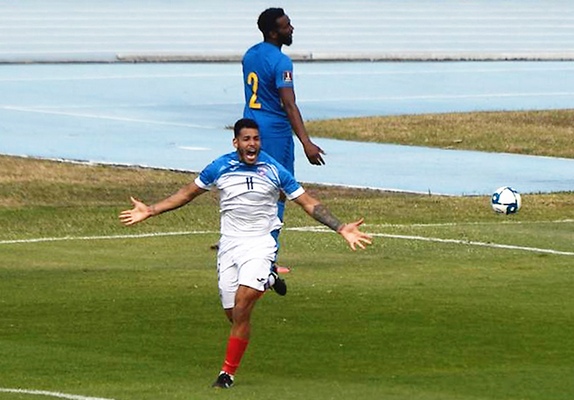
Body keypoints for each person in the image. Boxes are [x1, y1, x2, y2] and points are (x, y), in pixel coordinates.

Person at [119, 118, 372, 389]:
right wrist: (151, 210)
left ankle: (226, 374)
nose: (252, 144)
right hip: (229, 246)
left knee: (242, 307)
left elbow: (307, 202)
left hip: (260, 245)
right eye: (247, 139)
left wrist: (340, 227)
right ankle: (269, 280)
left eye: (256, 139)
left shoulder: (274, 170)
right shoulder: (220, 167)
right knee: (233, 314)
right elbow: (187, 194)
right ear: (236, 142)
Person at [242, 8, 326, 259]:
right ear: (273, 32)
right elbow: (289, 104)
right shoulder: (281, 62)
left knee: (252, 184)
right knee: (278, 190)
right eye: (286, 26)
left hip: (251, 127)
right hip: (275, 133)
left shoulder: (250, 54)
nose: (291, 29)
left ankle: (243, 240)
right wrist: (306, 142)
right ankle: (269, 256)